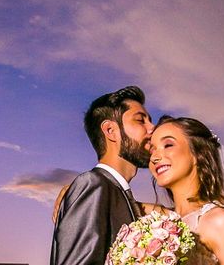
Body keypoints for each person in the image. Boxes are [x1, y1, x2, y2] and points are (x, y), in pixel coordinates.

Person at [50, 86, 155, 265]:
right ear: (110, 131)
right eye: (140, 120)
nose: (152, 128)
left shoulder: (116, 194)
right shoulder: (93, 185)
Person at [147, 116, 224, 265]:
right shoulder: (157, 221)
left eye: (168, 145)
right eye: (151, 151)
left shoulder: (218, 221)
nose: (154, 157)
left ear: (197, 154)